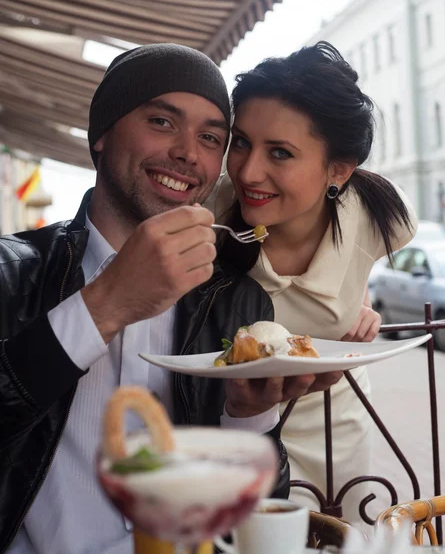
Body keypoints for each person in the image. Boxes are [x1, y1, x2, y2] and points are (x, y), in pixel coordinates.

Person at [0, 44, 342, 554]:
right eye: (161, 121)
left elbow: (256, 515)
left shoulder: (237, 302)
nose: (188, 152)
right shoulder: (13, 273)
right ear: (101, 134)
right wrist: (107, 303)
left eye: (211, 138)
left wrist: (249, 414)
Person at [213, 42, 418, 524]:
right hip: (233, 428)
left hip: (334, 423)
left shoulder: (382, 214)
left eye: (280, 152)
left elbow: (357, 263)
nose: (247, 171)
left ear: (339, 170)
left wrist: (359, 302)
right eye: (240, 142)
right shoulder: (210, 217)